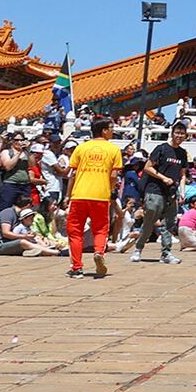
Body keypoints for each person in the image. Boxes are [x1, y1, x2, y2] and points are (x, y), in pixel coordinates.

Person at [64, 116, 122, 279]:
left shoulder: (81, 148)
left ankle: (76, 267)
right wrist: (111, 192)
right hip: (100, 196)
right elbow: (114, 174)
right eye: (111, 128)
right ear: (104, 131)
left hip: (79, 194)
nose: (112, 131)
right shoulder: (113, 149)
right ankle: (98, 252)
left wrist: (67, 195)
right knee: (101, 229)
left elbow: (72, 174)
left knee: (75, 231)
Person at [136, 122, 190, 264]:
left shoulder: (182, 153)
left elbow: (182, 174)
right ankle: (138, 248)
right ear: (172, 133)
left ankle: (166, 253)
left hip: (172, 193)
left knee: (169, 224)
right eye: (177, 133)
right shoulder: (161, 149)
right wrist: (163, 178)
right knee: (149, 221)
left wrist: (182, 192)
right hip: (155, 190)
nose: (179, 136)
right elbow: (148, 167)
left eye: (182, 133)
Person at [0, 189, 64, 256]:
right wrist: (24, 236)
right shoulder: (8, 213)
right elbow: (6, 233)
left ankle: (38, 250)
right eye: (31, 206)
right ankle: (57, 253)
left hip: (11, 242)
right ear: (27, 205)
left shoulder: (20, 216)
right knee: (23, 242)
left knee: (36, 238)